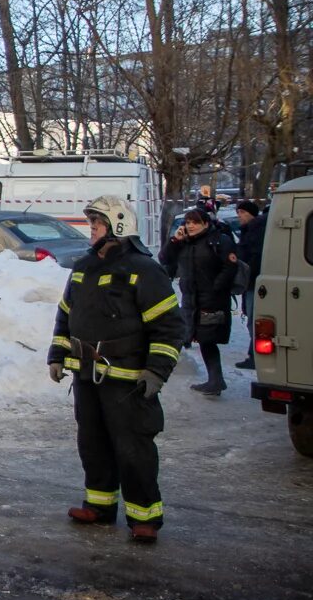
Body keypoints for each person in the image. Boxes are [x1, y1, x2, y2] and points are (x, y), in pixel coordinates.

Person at [48, 196, 185, 543]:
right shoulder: (83, 267)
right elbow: (66, 315)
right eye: (91, 223)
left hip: (127, 380)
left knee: (133, 448)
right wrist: (57, 354)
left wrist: (156, 371)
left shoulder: (145, 270)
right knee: (92, 444)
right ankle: (99, 506)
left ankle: (145, 517)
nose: (90, 230)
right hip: (86, 376)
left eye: (97, 224)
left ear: (117, 226)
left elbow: (169, 326)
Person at [159, 208, 238, 395]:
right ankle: (215, 380)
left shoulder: (219, 241)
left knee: (207, 338)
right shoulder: (185, 242)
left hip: (212, 299)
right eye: (187, 222)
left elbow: (229, 268)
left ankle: (216, 380)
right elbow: (165, 258)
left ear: (206, 224)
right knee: (200, 337)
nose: (190, 226)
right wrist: (175, 240)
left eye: (194, 222)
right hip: (191, 299)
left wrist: (216, 289)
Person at [235, 200, 264, 370]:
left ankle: (255, 356)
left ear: (251, 214)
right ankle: (253, 354)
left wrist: (247, 276)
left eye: (242, 212)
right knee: (251, 317)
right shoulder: (250, 230)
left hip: (254, 282)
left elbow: (253, 257)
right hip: (251, 282)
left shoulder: (255, 231)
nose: (239, 216)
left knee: (254, 319)